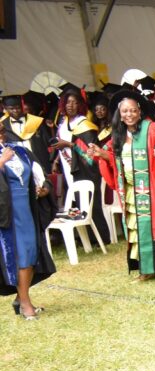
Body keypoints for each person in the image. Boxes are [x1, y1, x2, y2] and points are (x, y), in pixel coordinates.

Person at [89, 90, 155, 281]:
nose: (129, 115)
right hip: (133, 191)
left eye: (133, 111)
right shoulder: (117, 135)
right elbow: (114, 159)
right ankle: (148, 268)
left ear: (140, 112)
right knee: (140, 229)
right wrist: (102, 154)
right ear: (120, 113)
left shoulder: (152, 129)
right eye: (125, 111)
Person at [0, 139, 56, 319]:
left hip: (27, 208)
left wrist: (44, 188)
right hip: (7, 212)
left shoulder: (18, 149)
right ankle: (25, 304)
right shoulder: (6, 154)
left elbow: (38, 172)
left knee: (31, 253)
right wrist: (1, 162)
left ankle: (20, 298)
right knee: (21, 255)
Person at [53, 86, 112, 243]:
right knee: (76, 202)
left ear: (81, 105)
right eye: (68, 102)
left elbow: (91, 153)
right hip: (69, 168)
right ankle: (84, 236)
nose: (70, 105)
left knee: (91, 203)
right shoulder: (63, 123)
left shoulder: (85, 125)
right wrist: (56, 160)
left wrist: (69, 145)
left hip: (86, 170)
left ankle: (101, 237)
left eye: (74, 102)